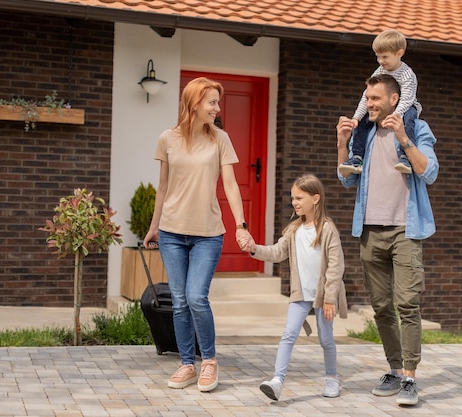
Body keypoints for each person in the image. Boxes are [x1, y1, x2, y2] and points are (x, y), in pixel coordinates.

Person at [143, 76, 253, 393]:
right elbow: (162, 188)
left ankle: (209, 362)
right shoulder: (168, 139)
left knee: (196, 298)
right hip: (172, 232)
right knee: (179, 301)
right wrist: (153, 227)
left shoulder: (220, 139)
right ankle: (187, 364)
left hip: (208, 233)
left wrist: (240, 224)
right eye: (212, 102)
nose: (218, 108)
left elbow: (231, 185)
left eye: (218, 102)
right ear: (194, 103)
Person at [336, 74, 439, 406]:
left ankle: (410, 378)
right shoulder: (364, 133)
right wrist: (342, 142)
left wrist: (403, 137)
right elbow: (346, 180)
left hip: (404, 231)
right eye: (367, 98)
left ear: (394, 99)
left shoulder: (417, 128)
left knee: (408, 304)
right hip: (369, 230)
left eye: (375, 99)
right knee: (381, 306)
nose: (369, 104)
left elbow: (429, 171)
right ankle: (394, 369)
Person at [241, 174, 347, 401]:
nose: (295, 202)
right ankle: (277, 381)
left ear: (315, 198)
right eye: (292, 199)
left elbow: (336, 267)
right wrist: (254, 248)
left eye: (299, 198)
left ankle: (331, 378)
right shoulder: (293, 229)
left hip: (323, 296)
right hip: (300, 294)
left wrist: (330, 298)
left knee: (326, 339)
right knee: (288, 334)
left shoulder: (327, 229)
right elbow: (276, 252)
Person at [338, 29, 422, 176]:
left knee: (408, 120)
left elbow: (407, 99)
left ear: (399, 53)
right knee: (363, 122)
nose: (381, 61)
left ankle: (405, 157)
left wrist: (394, 116)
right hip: (391, 109)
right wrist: (356, 117)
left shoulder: (407, 74)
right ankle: (357, 157)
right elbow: (367, 95)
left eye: (384, 57)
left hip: (406, 106)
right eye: (378, 57)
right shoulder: (379, 71)